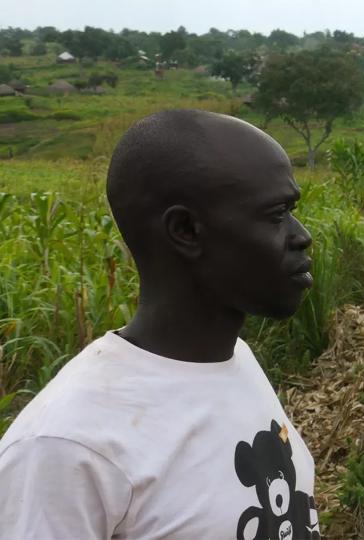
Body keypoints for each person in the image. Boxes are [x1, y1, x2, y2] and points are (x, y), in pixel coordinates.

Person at [0, 109, 321, 539]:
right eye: (276, 215)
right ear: (186, 230)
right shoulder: (65, 447)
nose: (302, 235)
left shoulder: (233, 360)